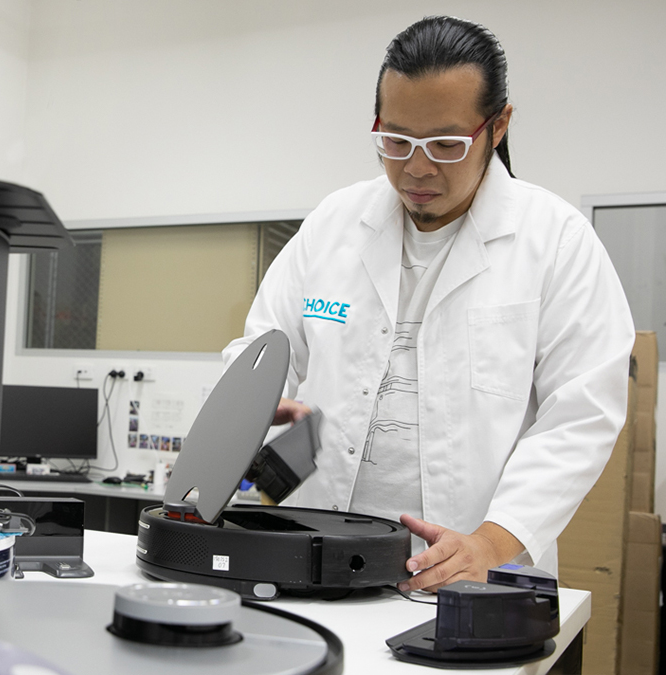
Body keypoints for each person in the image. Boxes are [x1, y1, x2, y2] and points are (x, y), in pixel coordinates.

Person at [223, 16, 634, 593]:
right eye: (396, 141)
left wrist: (490, 544)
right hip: (315, 555)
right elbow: (262, 349)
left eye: (445, 144)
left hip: (470, 575)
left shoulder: (555, 240)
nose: (416, 168)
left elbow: (581, 416)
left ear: (498, 126)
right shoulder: (334, 225)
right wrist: (254, 405)